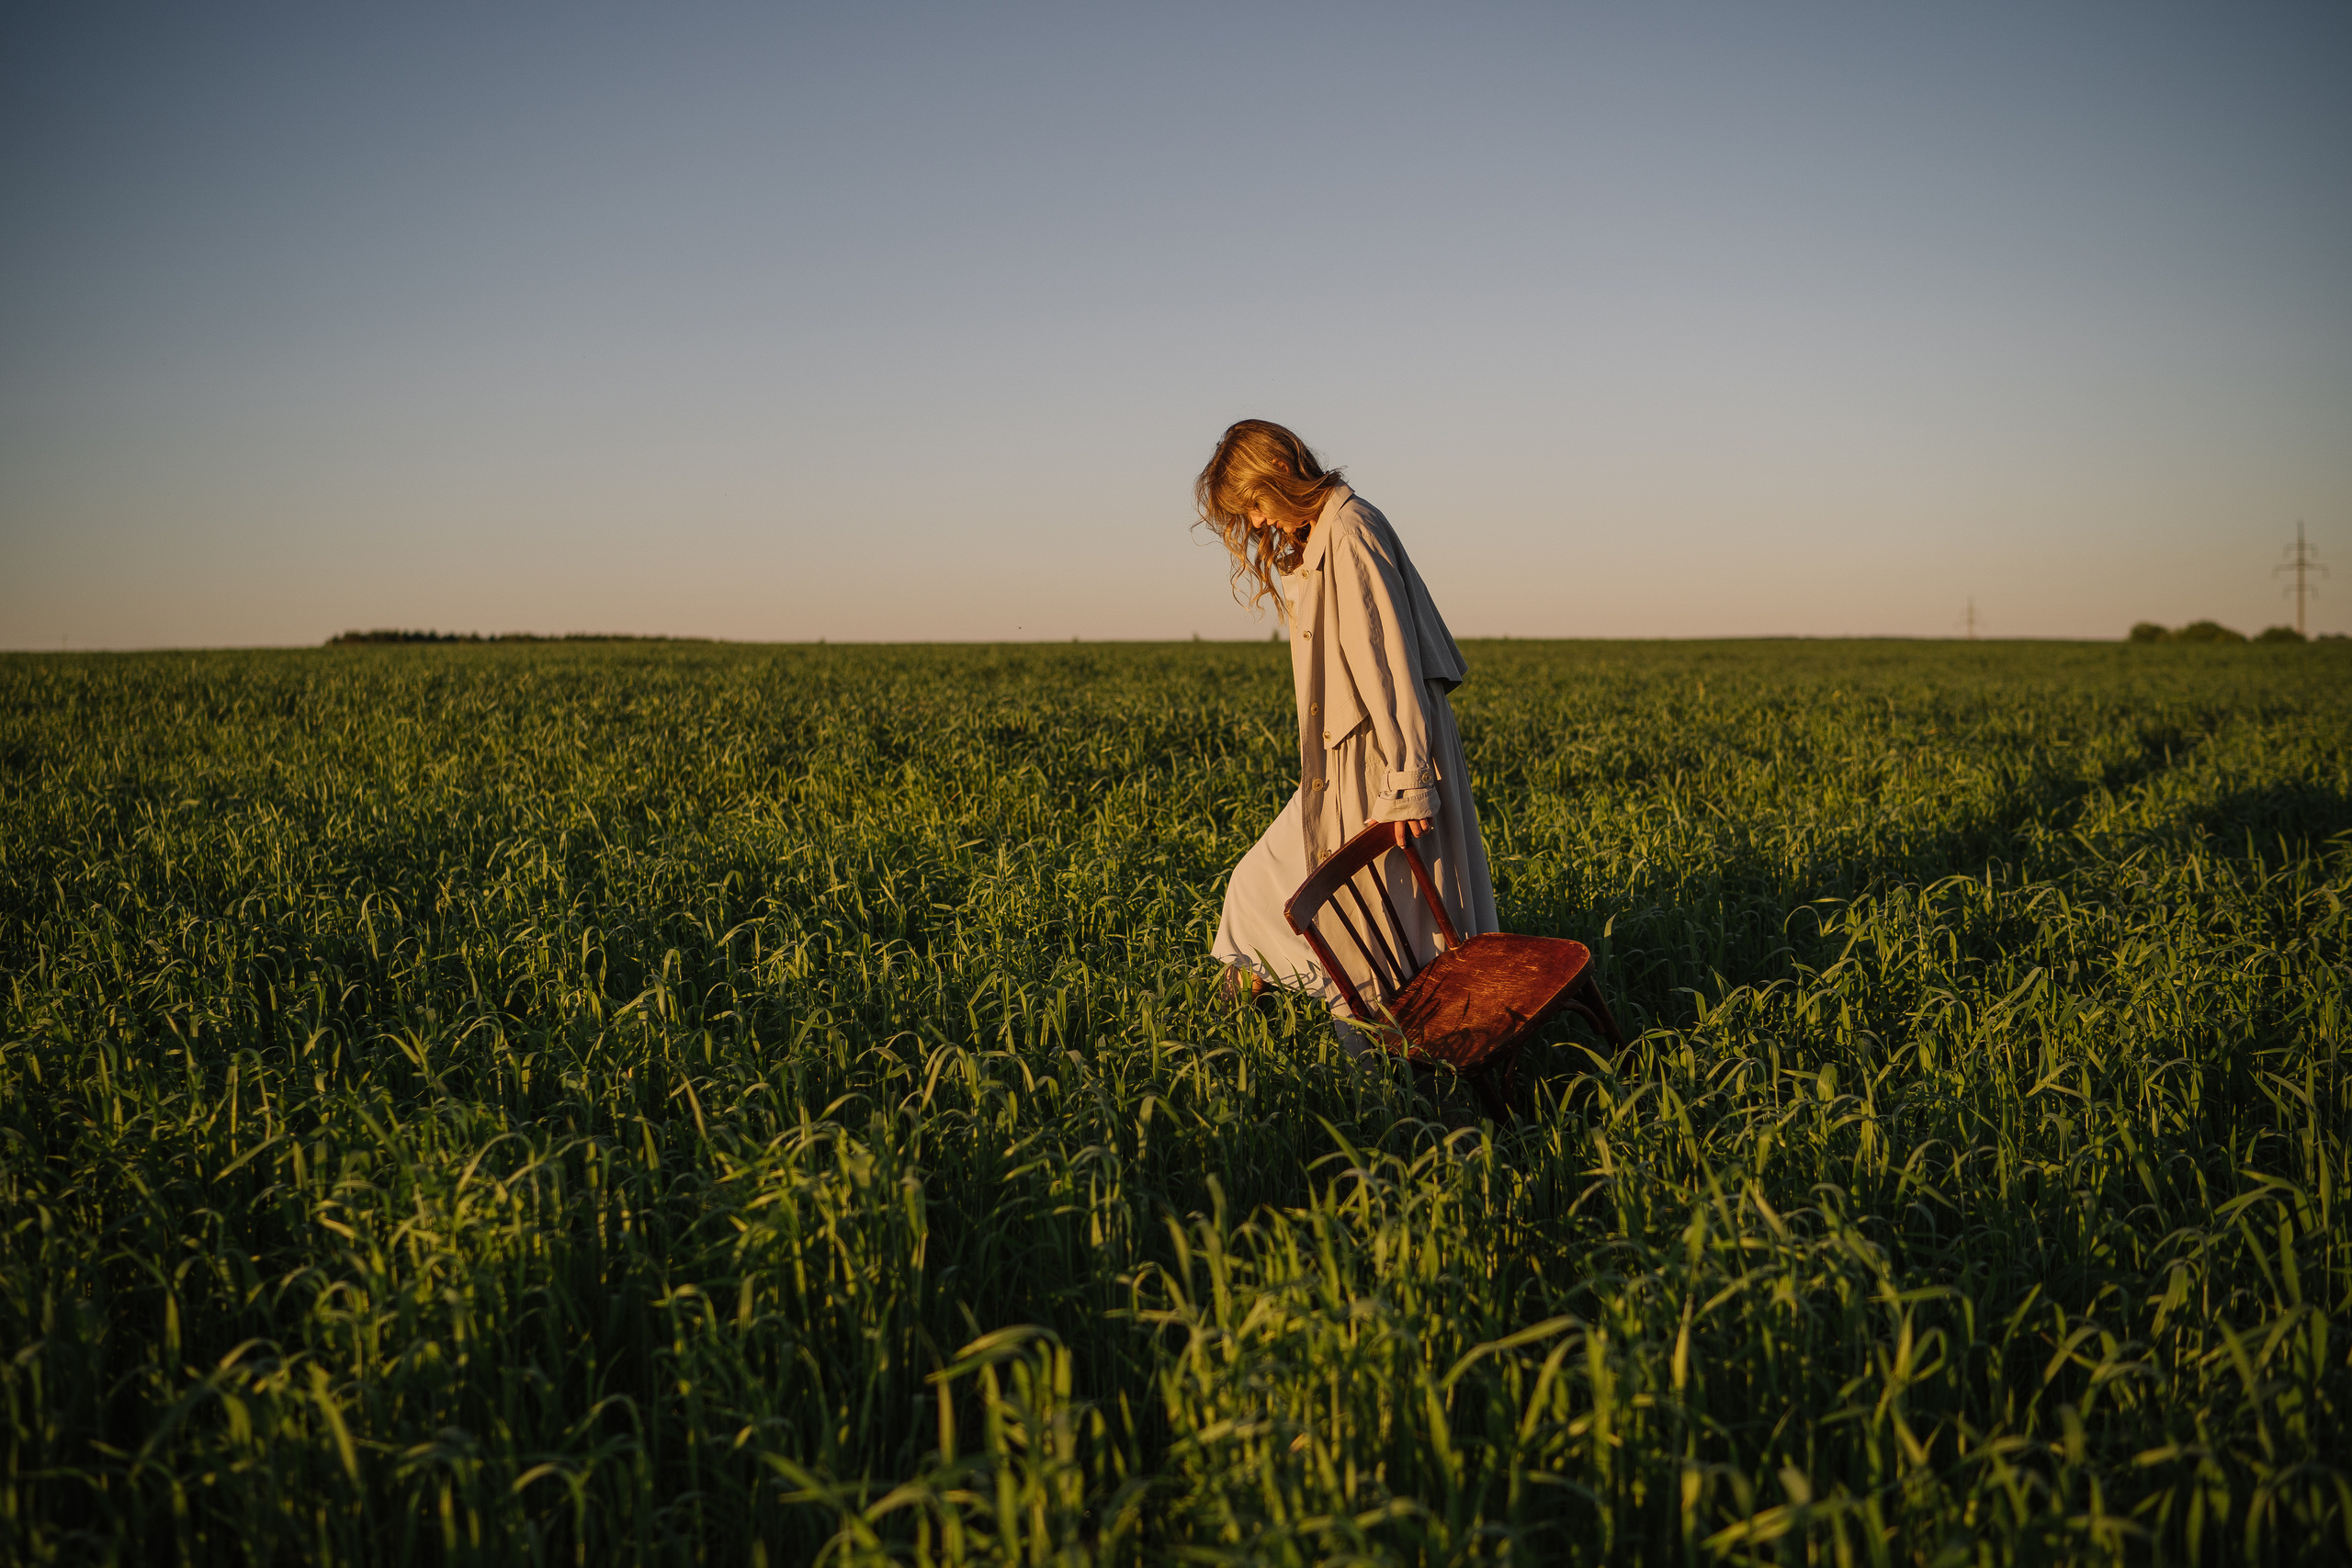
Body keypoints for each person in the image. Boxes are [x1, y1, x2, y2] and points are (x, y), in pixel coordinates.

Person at [1195, 420, 1498, 1048]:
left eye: (1254, 501)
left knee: (1386, 916)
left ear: (1280, 466)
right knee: (1259, 887)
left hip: (1383, 753)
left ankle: (1398, 1066)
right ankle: (1221, 1036)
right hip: (1356, 753)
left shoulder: (1353, 530)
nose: (1254, 522)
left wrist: (1410, 781)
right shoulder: (1326, 538)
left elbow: (1387, 662)